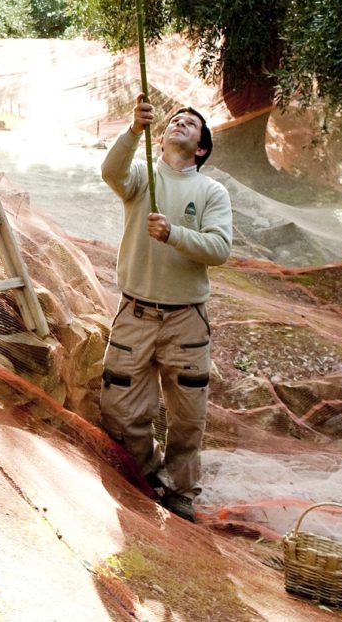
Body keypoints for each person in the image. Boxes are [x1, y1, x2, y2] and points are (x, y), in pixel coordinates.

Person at [98, 93, 233, 520]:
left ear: (202, 148)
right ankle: (149, 476)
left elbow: (219, 248)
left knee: (187, 415)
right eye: (175, 119)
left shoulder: (211, 192)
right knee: (120, 407)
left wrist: (174, 233)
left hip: (186, 320)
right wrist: (133, 129)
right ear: (161, 136)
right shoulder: (141, 178)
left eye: (191, 124)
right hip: (135, 311)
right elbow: (110, 171)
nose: (181, 122)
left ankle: (180, 491)